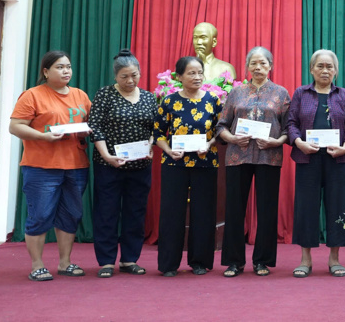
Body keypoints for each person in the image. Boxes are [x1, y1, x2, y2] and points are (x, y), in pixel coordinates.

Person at [9, 51, 92, 281]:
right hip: (41, 167)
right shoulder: (32, 95)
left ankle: (65, 263)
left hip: (76, 166)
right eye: (59, 67)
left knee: (71, 214)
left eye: (68, 66)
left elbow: (89, 123)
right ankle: (37, 265)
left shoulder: (80, 95)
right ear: (46, 71)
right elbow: (15, 127)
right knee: (40, 215)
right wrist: (45, 137)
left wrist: (87, 130)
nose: (66, 71)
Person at [216, 47, 290, 277]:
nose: (258, 68)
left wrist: (276, 141)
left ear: (271, 66)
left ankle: (262, 261)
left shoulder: (281, 93)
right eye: (253, 64)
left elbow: (289, 128)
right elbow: (221, 125)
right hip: (238, 156)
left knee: (267, 210)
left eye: (263, 63)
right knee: (235, 209)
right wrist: (232, 138)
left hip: (269, 156)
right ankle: (234, 261)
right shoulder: (236, 93)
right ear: (247, 67)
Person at [287, 49, 345, 278]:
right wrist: (299, 143)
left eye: (329, 66)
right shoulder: (301, 93)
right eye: (320, 66)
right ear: (311, 69)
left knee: (338, 206)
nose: (325, 70)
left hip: (337, 159)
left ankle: (334, 259)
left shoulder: (344, 94)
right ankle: (305, 260)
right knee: (306, 207)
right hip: (308, 157)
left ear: (336, 70)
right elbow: (291, 122)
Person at [89, 49, 155, 278]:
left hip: (140, 167)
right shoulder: (104, 95)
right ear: (115, 77)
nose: (130, 80)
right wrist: (107, 156)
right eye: (124, 76)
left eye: (134, 75)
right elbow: (95, 127)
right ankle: (106, 261)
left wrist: (150, 147)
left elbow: (155, 129)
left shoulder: (148, 97)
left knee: (135, 213)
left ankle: (129, 259)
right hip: (109, 165)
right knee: (107, 212)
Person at [154, 56, 222, 276]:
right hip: (175, 163)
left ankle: (200, 261)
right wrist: (168, 150)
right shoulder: (169, 101)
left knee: (204, 212)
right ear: (179, 76)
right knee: (172, 213)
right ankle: (169, 264)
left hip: (205, 163)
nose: (197, 77)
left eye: (200, 72)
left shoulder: (213, 100)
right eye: (191, 73)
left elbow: (220, 132)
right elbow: (157, 134)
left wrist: (210, 144)